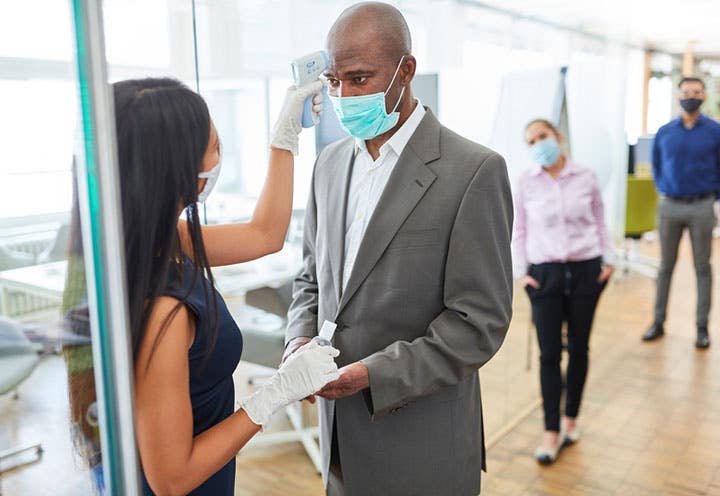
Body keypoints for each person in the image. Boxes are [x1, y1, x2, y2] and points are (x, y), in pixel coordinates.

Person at [281, 3, 513, 495]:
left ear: (406, 70)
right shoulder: (329, 164)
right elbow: (310, 277)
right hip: (338, 436)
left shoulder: (473, 171)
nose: (344, 95)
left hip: (421, 440)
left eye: (360, 78)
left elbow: (479, 322)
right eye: (334, 80)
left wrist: (373, 374)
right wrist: (298, 341)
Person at [113, 77, 340, 495]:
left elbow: (265, 234)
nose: (221, 157)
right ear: (177, 169)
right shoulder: (165, 311)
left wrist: (284, 138)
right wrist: (274, 394)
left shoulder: (160, 237)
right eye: (215, 146)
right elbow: (172, 478)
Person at [512, 119, 614, 465]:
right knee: (549, 354)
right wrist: (522, 273)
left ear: (558, 137)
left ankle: (571, 419)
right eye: (531, 140)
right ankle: (551, 430)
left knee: (580, 348)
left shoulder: (584, 175)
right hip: (544, 275)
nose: (538, 144)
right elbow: (519, 229)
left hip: (587, 270)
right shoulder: (526, 181)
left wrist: (608, 261)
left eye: (542, 136)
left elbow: (600, 219)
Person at [642, 76, 720, 348]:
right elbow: (657, 166)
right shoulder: (665, 131)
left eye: (696, 91)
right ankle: (658, 322)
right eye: (686, 91)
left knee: (702, 268)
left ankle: (702, 328)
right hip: (670, 205)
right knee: (665, 267)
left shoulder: (717, 132)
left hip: (702, 206)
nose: (690, 96)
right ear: (678, 95)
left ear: (704, 96)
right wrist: (665, 189)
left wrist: (717, 203)